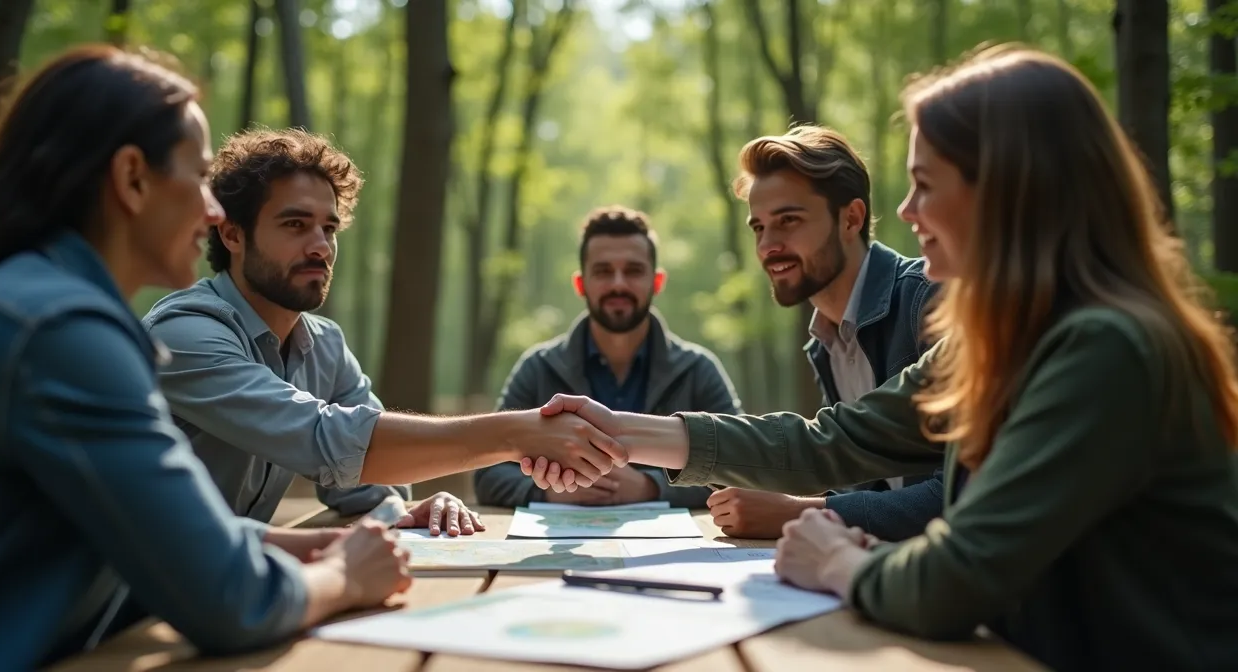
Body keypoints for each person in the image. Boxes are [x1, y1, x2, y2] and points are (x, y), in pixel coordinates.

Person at [528, 46, 1238, 670]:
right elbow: (831, 442)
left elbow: (959, 576)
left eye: (925, 184)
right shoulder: (1008, 339)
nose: (906, 211)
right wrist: (617, 429)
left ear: (1009, 189)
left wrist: (837, 558)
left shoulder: (1104, 349)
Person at [0, 46, 619, 669]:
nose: (208, 208)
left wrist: (304, 544)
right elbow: (233, 600)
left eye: (329, 228)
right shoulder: (69, 332)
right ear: (132, 179)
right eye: (197, 178)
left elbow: (167, 527)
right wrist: (347, 571)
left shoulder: (37, 305)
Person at [142, 128, 623, 536]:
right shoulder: (184, 335)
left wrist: (415, 507)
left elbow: (372, 488)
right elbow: (324, 438)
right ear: (232, 234)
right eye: (295, 224)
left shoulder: (324, 346)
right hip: (117, 621)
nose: (320, 247)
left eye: (329, 229)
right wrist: (519, 434)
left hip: (220, 594)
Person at [708, 126, 944, 541]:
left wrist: (799, 512)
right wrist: (780, 495)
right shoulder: (825, 343)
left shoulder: (928, 304)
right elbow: (861, 479)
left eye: (788, 221)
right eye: (759, 227)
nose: (768, 246)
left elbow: (955, 497)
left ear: (851, 218)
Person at [474, 205, 741, 508]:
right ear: (580, 284)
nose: (618, 284)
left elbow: (741, 467)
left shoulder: (699, 370)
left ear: (657, 282)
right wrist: (552, 491)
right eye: (603, 271)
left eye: (633, 271)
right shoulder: (538, 368)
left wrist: (650, 487)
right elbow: (487, 473)